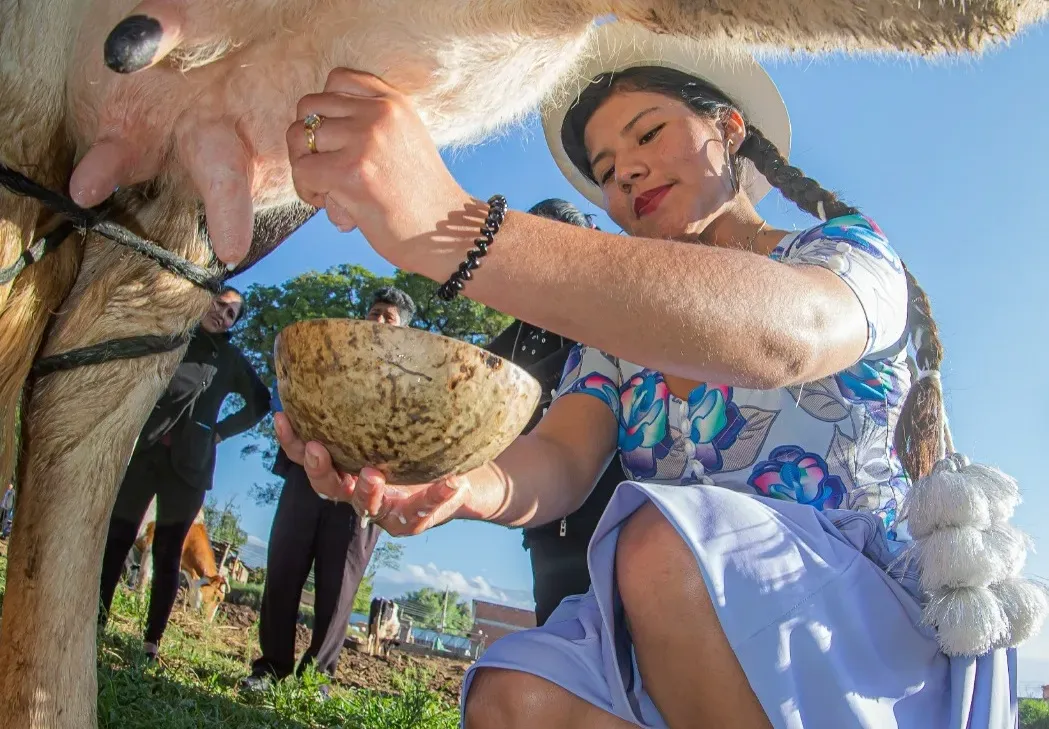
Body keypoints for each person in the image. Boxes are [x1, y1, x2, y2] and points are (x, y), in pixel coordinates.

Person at [275, 22, 1034, 729]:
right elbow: (562, 459)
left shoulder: (843, 254)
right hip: (672, 596)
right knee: (516, 695)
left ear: (729, 131)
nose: (623, 171)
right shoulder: (614, 335)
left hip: (852, 626)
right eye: (604, 170)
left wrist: (454, 226)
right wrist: (453, 486)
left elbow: (786, 336)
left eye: (647, 133)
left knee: (662, 545)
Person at [241, 286, 416, 691]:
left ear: (404, 332)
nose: (378, 320)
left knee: (340, 586)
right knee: (283, 569)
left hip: (364, 491)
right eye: (374, 312)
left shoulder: (411, 382)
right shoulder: (330, 353)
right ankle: (270, 667)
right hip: (308, 473)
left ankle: (318, 677)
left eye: (389, 317)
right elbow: (287, 386)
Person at [98, 286, 270, 660]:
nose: (221, 315)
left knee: (168, 553)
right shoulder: (173, 336)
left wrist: (219, 432)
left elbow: (261, 402)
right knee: (118, 537)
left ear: (233, 325)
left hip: (190, 469)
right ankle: (96, 622)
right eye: (219, 305)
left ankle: (150, 643)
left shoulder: (230, 359)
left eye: (230, 315)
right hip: (146, 453)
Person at [485, 198, 627, 626]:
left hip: (612, 497)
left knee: (619, 622)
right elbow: (477, 382)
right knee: (554, 621)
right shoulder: (511, 339)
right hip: (543, 508)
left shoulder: (610, 310)